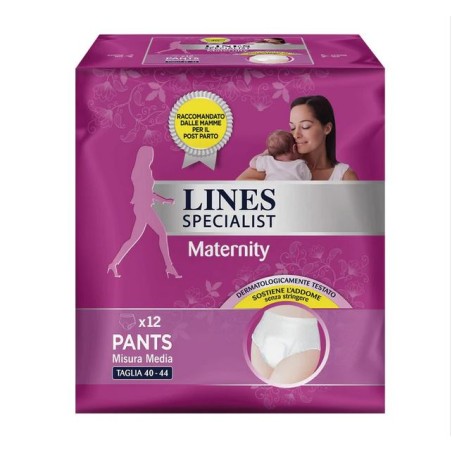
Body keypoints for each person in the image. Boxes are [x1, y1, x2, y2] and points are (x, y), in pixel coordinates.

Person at [237, 95, 358, 181]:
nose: (296, 135)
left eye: (305, 126)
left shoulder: (344, 176)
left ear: (327, 128)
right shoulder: (277, 161)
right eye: (292, 127)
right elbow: (237, 189)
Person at [108, 145, 182, 279]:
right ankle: (169, 266)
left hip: (142, 207)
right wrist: (165, 200)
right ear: (145, 156)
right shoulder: (144, 171)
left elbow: (147, 192)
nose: (152, 157)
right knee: (161, 233)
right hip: (144, 208)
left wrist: (164, 200)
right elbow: (147, 193)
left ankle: (114, 264)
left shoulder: (139, 170)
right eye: (150, 155)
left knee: (133, 239)